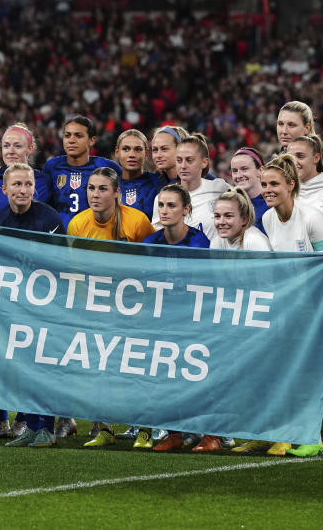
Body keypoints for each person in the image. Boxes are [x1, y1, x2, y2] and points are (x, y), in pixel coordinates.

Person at [233, 154, 323, 456]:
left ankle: (310, 434)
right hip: (285, 305)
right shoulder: (267, 218)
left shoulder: (312, 217)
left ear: (291, 184)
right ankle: (274, 431)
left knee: (309, 372)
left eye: (274, 183)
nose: (267, 190)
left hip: (314, 305)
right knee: (279, 370)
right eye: (264, 184)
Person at [67, 166, 155, 448]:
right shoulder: (78, 224)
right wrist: (89, 306)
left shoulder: (138, 221)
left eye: (103, 189)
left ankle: (145, 429)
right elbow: (74, 271)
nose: (95, 194)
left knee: (138, 368)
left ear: (117, 193)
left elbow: (152, 264)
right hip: (97, 309)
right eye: (91, 188)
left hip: (134, 307)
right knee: (100, 369)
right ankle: (104, 428)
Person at [0, 164, 66, 448]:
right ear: (5, 188)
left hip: (45, 305)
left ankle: (46, 427)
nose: (23, 190)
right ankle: (31, 427)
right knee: (20, 367)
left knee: (43, 366)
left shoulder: (49, 217)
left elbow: (60, 264)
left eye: (28, 184)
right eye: (17, 185)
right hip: (13, 305)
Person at [141, 184, 214, 452]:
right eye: (161, 205)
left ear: (187, 210)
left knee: (200, 375)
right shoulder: (150, 243)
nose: (165, 210)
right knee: (168, 375)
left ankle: (211, 435)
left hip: (195, 320)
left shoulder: (199, 242)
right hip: (163, 320)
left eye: (172, 205)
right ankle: (174, 433)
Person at [43, 116, 122, 228]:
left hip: (94, 237)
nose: (71, 140)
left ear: (92, 140)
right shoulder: (52, 166)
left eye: (78, 135)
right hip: (59, 238)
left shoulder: (107, 167)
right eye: (67, 135)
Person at [151, 134, 228, 239]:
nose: (183, 166)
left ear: (204, 162)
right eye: (179, 160)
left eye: (189, 160)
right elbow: (160, 240)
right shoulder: (162, 198)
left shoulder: (220, 188)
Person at [0, 123, 51, 215]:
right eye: (6, 146)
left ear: (30, 148)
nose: (11, 152)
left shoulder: (45, 181)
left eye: (17, 146)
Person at [287, 135, 323, 226]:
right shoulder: (286, 190)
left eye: (300, 156)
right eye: (290, 158)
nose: (294, 162)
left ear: (316, 158)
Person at [275, 101, 323, 170]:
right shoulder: (273, 164)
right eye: (280, 124)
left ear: (307, 128)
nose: (284, 131)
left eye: (291, 125)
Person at [115, 129, 160, 220]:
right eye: (126, 149)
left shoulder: (159, 181)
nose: (132, 154)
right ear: (117, 152)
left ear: (146, 154)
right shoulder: (108, 184)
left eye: (138, 149)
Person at [229, 148, 269, 229]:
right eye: (234, 171)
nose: (239, 175)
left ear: (260, 171)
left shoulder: (273, 203)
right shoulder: (232, 205)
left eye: (244, 169)